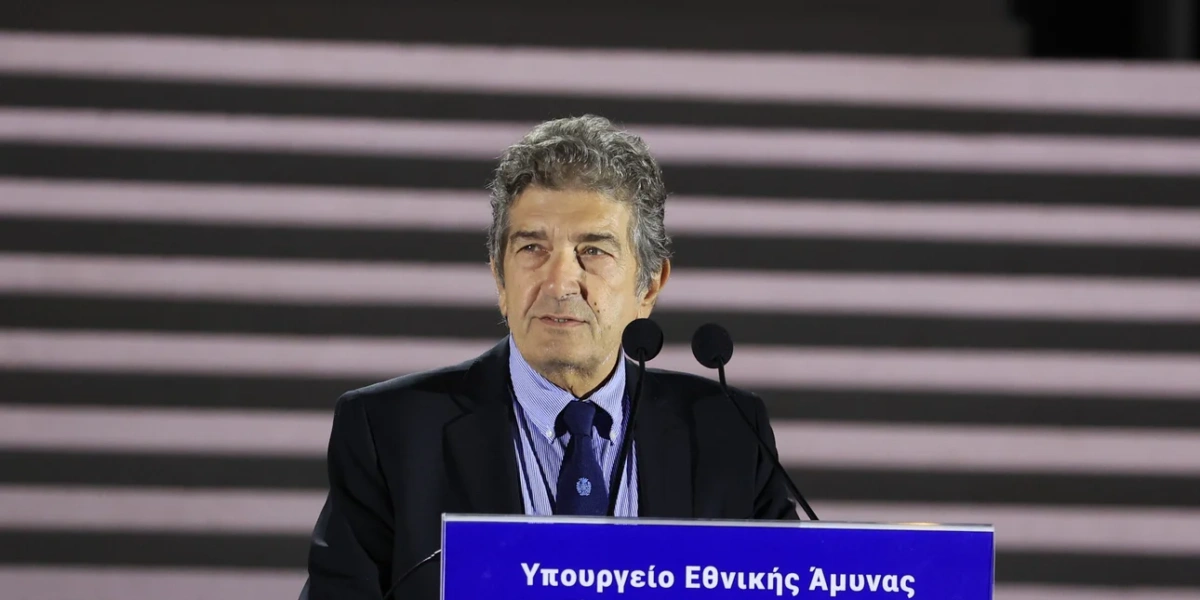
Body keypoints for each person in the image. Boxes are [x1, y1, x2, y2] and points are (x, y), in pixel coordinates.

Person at [300, 115, 796, 600]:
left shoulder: (731, 433)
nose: (559, 283)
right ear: (500, 279)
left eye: (593, 251)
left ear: (649, 286)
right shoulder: (390, 433)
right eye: (533, 248)